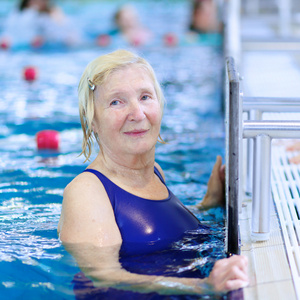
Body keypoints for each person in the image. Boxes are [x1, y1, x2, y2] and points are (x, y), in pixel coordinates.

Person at [57, 49, 248, 297]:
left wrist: (208, 205)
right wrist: (203, 286)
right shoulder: (87, 192)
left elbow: (162, 231)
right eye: (117, 102)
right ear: (92, 120)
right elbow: (104, 274)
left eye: (145, 97)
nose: (137, 114)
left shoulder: (155, 173)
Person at [0, 0, 82, 48]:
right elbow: (11, 32)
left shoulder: (53, 13)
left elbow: (67, 35)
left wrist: (44, 38)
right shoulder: (19, 13)